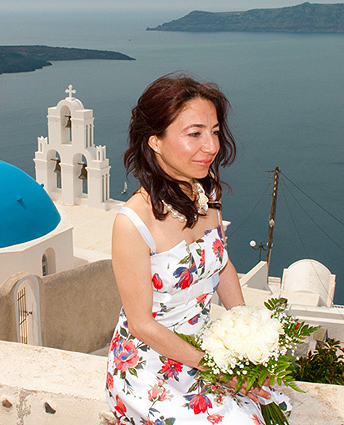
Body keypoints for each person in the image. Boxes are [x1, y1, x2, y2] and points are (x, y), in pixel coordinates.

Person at [106, 73, 287, 424]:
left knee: (270, 408)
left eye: (215, 132)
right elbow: (141, 325)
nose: (212, 146)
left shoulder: (208, 194)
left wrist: (247, 339)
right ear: (155, 140)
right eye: (195, 134)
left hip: (208, 352)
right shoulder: (133, 223)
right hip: (151, 366)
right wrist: (219, 371)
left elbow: (222, 266)